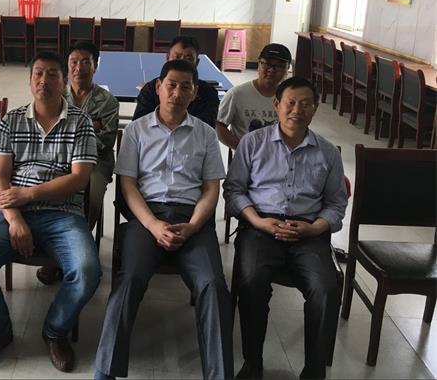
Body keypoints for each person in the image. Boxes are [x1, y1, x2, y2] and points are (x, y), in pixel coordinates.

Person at [0, 51, 100, 373]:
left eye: (52, 74)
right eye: (38, 73)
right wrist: (14, 217)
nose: (44, 80)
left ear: (64, 81)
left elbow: (79, 179)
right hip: (13, 211)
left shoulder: (81, 123)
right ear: (30, 79)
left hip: (64, 214)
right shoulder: (11, 120)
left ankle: (55, 331)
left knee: (87, 270)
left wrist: (29, 194)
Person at [95, 59, 233, 380]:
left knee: (213, 285)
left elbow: (211, 189)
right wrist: (153, 225)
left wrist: (194, 226)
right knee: (129, 279)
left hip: (192, 220)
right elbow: (128, 186)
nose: (177, 93)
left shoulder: (205, 135)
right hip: (147, 217)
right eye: (171, 85)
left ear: (195, 93)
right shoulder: (136, 131)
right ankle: (105, 371)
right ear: (158, 88)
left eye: (186, 87)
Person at [223, 76, 348, 380]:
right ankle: (253, 363)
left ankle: (314, 371)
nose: (297, 110)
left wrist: (314, 229)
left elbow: (336, 204)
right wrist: (256, 220)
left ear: (315, 108)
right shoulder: (253, 143)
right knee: (251, 282)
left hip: (308, 233)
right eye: (290, 103)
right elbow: (234, 190)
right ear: (277, 105)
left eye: (305, 104)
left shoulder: (328, 152)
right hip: (260, 226)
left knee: (325, 289)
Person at [36, 41, 119, 285]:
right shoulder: (56, 94)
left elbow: (106, 140)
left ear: (95, 66)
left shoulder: (108, 102)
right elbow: (47, 129)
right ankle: (51, 248)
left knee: (91, 196)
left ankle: (69, 254)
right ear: (67, 65)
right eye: (74, 62)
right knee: (44, 189)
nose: (79, 68)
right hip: (58, 157)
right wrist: (90, 126)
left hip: (96, 162)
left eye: (85, 62)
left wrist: (71, 131)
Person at [215, 43, 292, 150]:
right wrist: (242, 149)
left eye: (279, 66)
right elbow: (219, 126)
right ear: (259, 64)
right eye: (267, 64)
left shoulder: (291, 98)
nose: (271, 70)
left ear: (288, 69)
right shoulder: (236, 94)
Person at [133, 35, 219, 127]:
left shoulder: (209, 93)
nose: (182, 62)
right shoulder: (150, 90)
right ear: (167, 58)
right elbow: (139, 124)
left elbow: (206, 128)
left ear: (197, 62)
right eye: (177, 57)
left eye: (189, 59)